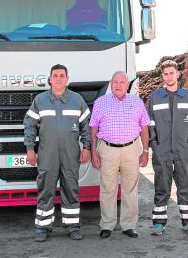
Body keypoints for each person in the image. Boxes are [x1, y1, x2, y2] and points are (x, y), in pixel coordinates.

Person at [24, 64, 91, 242]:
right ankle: (42, 228)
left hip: (71, 154)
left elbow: (87, 127)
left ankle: (73, 226)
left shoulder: (77, 100)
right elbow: (30, 125)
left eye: (62, 75)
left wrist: (87, 148)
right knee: (46, 190)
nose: (59, 78)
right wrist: (30, 149)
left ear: (67, 79)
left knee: (71, 189)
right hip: (47, 154)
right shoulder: (40, 100)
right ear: (50, 79)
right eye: (55, 75)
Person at [89, 71, 150, 239]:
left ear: (127, 84)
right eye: (115, 82)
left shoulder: (136, 102)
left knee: (130, 189)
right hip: (107, 150)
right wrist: (93, 151)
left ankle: (129, 225)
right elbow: (93, 128)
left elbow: (144, 127)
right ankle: (107, 225)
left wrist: (145, 151)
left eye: (122, 82)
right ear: (111, 83)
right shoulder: (101, 102)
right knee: (108, 188)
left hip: (131, 149)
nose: (118, 85)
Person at [148, 59, 188, 236]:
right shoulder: (155, 97)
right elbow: (150, 124)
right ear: (162, 76)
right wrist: (155, 145)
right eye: (165, 73)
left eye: (172, 73)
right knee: (162, 186)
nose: (169, 76)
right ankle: (159, 222)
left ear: (178, 74)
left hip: (182, 150)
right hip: (162, 150)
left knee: (184, 185)